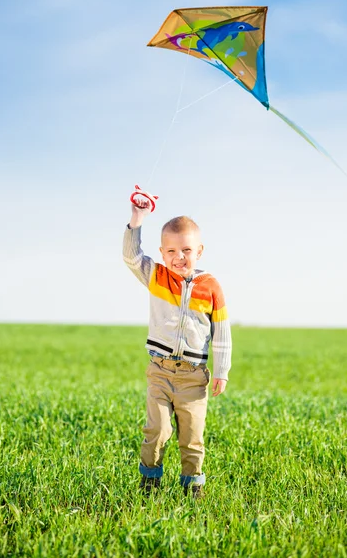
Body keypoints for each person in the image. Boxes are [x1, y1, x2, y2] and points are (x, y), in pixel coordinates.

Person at [123, 196, 232, 498]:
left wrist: (222, 371)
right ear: (162, 253)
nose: (179, 256)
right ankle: (149, 485)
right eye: (171, 251)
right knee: (156, 431)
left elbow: (222, 333)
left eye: (186, 250)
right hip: (160, 371)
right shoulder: (157, 277)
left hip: (193, 377)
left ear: (199, 251)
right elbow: (131, 257)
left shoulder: (211, 287)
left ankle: (192, 490)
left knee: (192, 438)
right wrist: (137, 220)